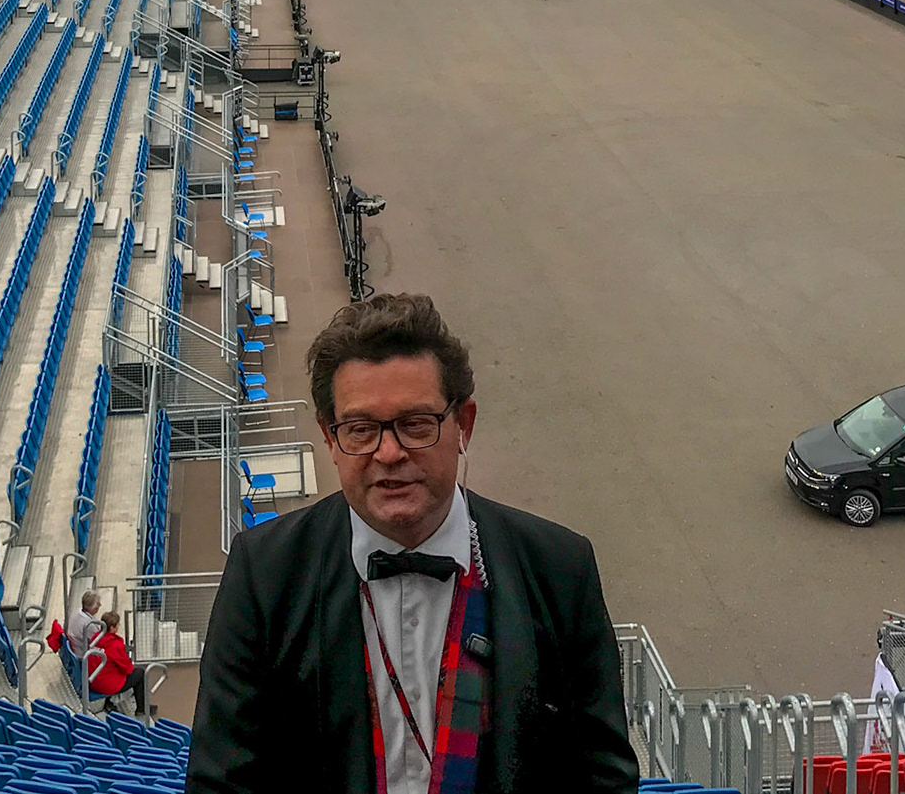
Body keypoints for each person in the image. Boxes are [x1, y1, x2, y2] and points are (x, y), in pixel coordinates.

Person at [187, 292, 638, 794]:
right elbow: (220, 782)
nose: (389, 452)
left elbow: (604, 777)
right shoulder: (262, 574)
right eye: (361, 429)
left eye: (416, 424)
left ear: (463, 425)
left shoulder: (561, 567)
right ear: (330, 438)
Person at [87, 611, 149, 715]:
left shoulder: (95, 638)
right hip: (107, 685)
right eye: (117, 625)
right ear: (112, 628)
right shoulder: (115, 645)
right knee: (140, 673)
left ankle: (109, 702)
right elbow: (128, 669)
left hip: (93, 681)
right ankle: (141, 709)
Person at [66, 590, 102, 658]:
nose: (100, 605)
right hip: (82, 655)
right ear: (94, 608)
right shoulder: (89, 625)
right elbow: (99, 643)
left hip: (75, 648)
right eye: (98, 604)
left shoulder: (76, 611)